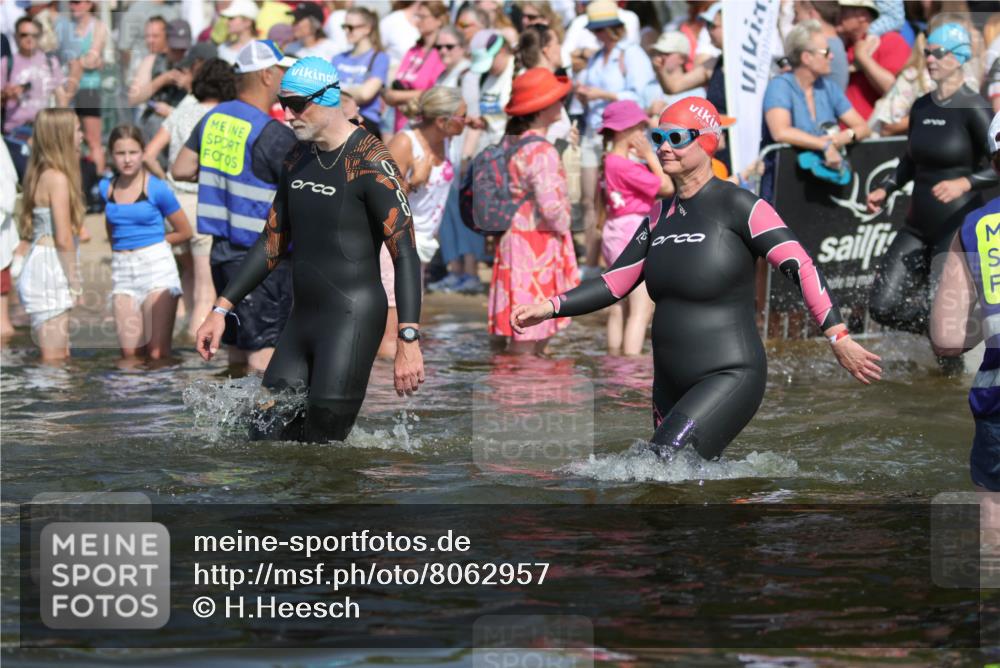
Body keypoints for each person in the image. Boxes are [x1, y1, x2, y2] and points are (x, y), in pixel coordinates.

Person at [512, 97, 881, 460]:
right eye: (658, 138)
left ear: (706, 141)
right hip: (668, 383)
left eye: (677, 139)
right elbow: (613, 284)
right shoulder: (659, 216)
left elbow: (801, 267)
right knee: (668, 496)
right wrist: (549, 307)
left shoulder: (741, 205)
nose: (664, 148)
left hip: (729, 373)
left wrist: (838, 336)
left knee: (659, 465)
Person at [194, 57, 424, 443]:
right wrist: (221, 309)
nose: (287, 114)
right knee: (262, 435)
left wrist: (408, 340)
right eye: (283, 103)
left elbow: (406, 253)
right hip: (301, 320)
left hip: (352, 320)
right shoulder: (297, 158)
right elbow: (272, 241)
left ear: (329, 98)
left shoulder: (372, 162)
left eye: (298, 105)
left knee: (322, 448)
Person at [867, 23, 996, 357]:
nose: (930, 59)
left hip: (954, 230)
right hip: (917, 225)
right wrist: (888, 186)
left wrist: (965, 181)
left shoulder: (974, 107)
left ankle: (949, 373)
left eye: (938, 53)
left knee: (946, 349)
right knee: (882, 305)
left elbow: (997, 165)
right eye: (926, 52)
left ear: (959, 58)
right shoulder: (921, 106)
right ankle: (942, 335)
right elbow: (909, 159)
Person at [172, 40, 297, 373]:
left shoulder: (214, 118)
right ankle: (266, 424)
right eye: (283, 71)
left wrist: (220, 171)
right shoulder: (270, 132)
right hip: (260, 260)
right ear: (268, 76)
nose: (286, 77)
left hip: (222, 255)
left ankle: (231, 424)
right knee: (264, 354)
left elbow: (180, 169)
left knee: (239, 352)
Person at [930, 110, 1000, 490]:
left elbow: (947, 338)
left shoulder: (975, 226)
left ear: (994, 163)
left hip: (996, 396)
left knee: (992, 514)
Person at [488, 68, 580, 355]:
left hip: (513, 240)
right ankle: (525, 395)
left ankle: (509, 389)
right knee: (529, 336)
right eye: (557, 98)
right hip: (536, 245)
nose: (562, 103)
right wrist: (569, 226)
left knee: (517, 332)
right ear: (542, 107)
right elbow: (552, 209)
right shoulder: (542, 150)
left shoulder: (510, 143)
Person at [143, 58, 236, 339]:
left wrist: (166, 180)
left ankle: (176, 342)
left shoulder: (182, 112)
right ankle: (198, 355)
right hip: (201, 205)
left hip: (172, 205)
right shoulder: (225, 116)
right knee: (206, 287)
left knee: (186, 279)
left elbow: (148, 155)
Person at [378, 86, 465, 357]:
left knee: (409, 325)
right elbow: (379, 198)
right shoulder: (405, 143)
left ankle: (397, 396)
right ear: (442, 121)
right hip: (393, 245)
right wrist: (414, 182)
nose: (467, 120)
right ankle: (382, 398)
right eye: (463, 116)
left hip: (421, 245)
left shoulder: (446, 138)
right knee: (391, 338)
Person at [576, 0, 656, 275]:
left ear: (613, 29)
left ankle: (614, 259)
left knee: (622, 199)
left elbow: (644, 99)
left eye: (601, 30)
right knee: (592, 198)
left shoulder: (632, 54)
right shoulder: (598, 57)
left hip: (622, 136)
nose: (598, 35)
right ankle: (592, 260)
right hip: (594, 130)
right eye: (595, 30)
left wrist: (603, 95)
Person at [102, 125, 192, 361]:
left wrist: (154, 243)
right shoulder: (106, 188)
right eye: (121, 153)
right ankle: (133, 399)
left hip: (156, 266)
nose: (128, 160)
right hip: (123, 269)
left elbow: (185, 231)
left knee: (157, 353)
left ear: (143, 152)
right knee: (130, 355)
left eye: (133, 152)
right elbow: (111, 227)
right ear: (112, 155)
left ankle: (162, 398)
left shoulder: (157, 188)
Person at [597, 100, 672, 356]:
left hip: (613, 230)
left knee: (618, 305)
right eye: (640, 128)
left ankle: (613, 359)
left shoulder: (608, 161)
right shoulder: (626, 166)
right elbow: (666, 187)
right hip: (632, 230)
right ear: (623, 130)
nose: (643, 134)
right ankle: (631, 366)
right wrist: (651, 156)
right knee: (642, 307)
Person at [16, 108, 84, 362]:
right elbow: (64, 238)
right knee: (54, 360)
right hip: (49, 267)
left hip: (42, 264)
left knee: (59, 355)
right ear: (62, 135)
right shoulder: (57, 178)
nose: (82, 135)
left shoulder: (42, 173)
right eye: (77, 130)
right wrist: (75, 283)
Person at [763, 20, 870, 167]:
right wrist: (824, 145)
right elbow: (780, 131)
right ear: (806, 57)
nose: (831, 57)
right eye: (826, 52)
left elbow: (863, 127)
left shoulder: (829, 88)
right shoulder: (780, 86)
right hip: (785, 176)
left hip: (824, 177)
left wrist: (844, 137)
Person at [55, 0, 108, 175]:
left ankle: (98, 185)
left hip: (88, 88)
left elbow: (92, 59)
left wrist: (76, 62)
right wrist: (81, 61)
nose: (73, 6)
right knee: (70, 139)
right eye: (71, 3)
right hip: (69, 88)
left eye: (77, 2)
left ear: (89, 4)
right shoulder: (66, 26)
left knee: (93, 141)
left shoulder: (98, 27)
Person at [383, 0, 448, 134]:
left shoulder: (442, 53)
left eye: (423, 17)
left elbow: (436, 91)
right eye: (416, 16)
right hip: (401, 123)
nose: (417, 21)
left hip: (424, 125)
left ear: (439, 20)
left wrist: (397, 96)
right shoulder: (413, 50)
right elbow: (399, 80)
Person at [837, 0, 910, 120]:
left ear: (862, 15)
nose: (837, 13)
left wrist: (862, 57)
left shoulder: (892, 41)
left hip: (876, 135)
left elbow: (895, 91)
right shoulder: (844, 44)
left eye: (844, 9)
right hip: (843, 134)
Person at [127, 18, 192, 146]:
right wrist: (161, 80)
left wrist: (188, 85)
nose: (180, 54)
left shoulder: (194, 64)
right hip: (153, 130)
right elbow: (133, 98)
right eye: (175, 49)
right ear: (167, 43)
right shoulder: (153, 61)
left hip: (181, 134)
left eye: (183, 49)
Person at [1, 16, 70, 135]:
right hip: (15, 132)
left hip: (47, 131)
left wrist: (62, 128)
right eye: (24, 35)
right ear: (16, 36)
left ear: (40, 36)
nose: (29, 39)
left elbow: (62, 99)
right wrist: (6, 95)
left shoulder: (51, 62)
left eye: (34, 35)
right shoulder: (6, 63)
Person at [332, 7, 389, 137]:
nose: (346, 31)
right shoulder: (338, 58)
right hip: (337, 118)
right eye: (344, 26)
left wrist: (335, 90)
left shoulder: (379, 58)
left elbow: (365, 94)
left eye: (351, 27)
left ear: (367, 29)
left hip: (364, 121)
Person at [792, 0, 849, 91]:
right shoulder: (835, 43)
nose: (794, 21)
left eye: (796, 13)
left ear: (812, 15)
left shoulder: (823, 47)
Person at [217, 0, 259, 65]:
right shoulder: (223, 48)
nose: (227, 22)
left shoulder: (260, 50)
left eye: (231, 18)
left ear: (247, 22)